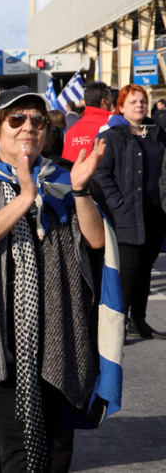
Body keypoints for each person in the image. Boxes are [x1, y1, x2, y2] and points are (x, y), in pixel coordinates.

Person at [0, 85, 120, 472]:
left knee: (52, 444)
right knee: (8, 444)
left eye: (38, 120)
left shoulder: (63, 179)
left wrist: (81, 190)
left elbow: (96, 241)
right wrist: (22, 197)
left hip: (57, 333)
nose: (28, 127)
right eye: (16, 119)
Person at [95, 85, 166, 339]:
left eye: (143, 101)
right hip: (127, 214)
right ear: (121, 107)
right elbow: (101, 175)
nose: (140, 105)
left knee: (146, 268)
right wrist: (117, 203)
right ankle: (117, 327)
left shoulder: (158, 134)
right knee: (127, 272)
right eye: (134, 101)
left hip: (156, 213)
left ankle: (139, 319)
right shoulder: (113, 136)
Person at [62, 82, 113, 163]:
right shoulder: (112, 124)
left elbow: (66, 161)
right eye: (110, 98)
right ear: (103, 101)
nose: (112, 102)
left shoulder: (71, 130)